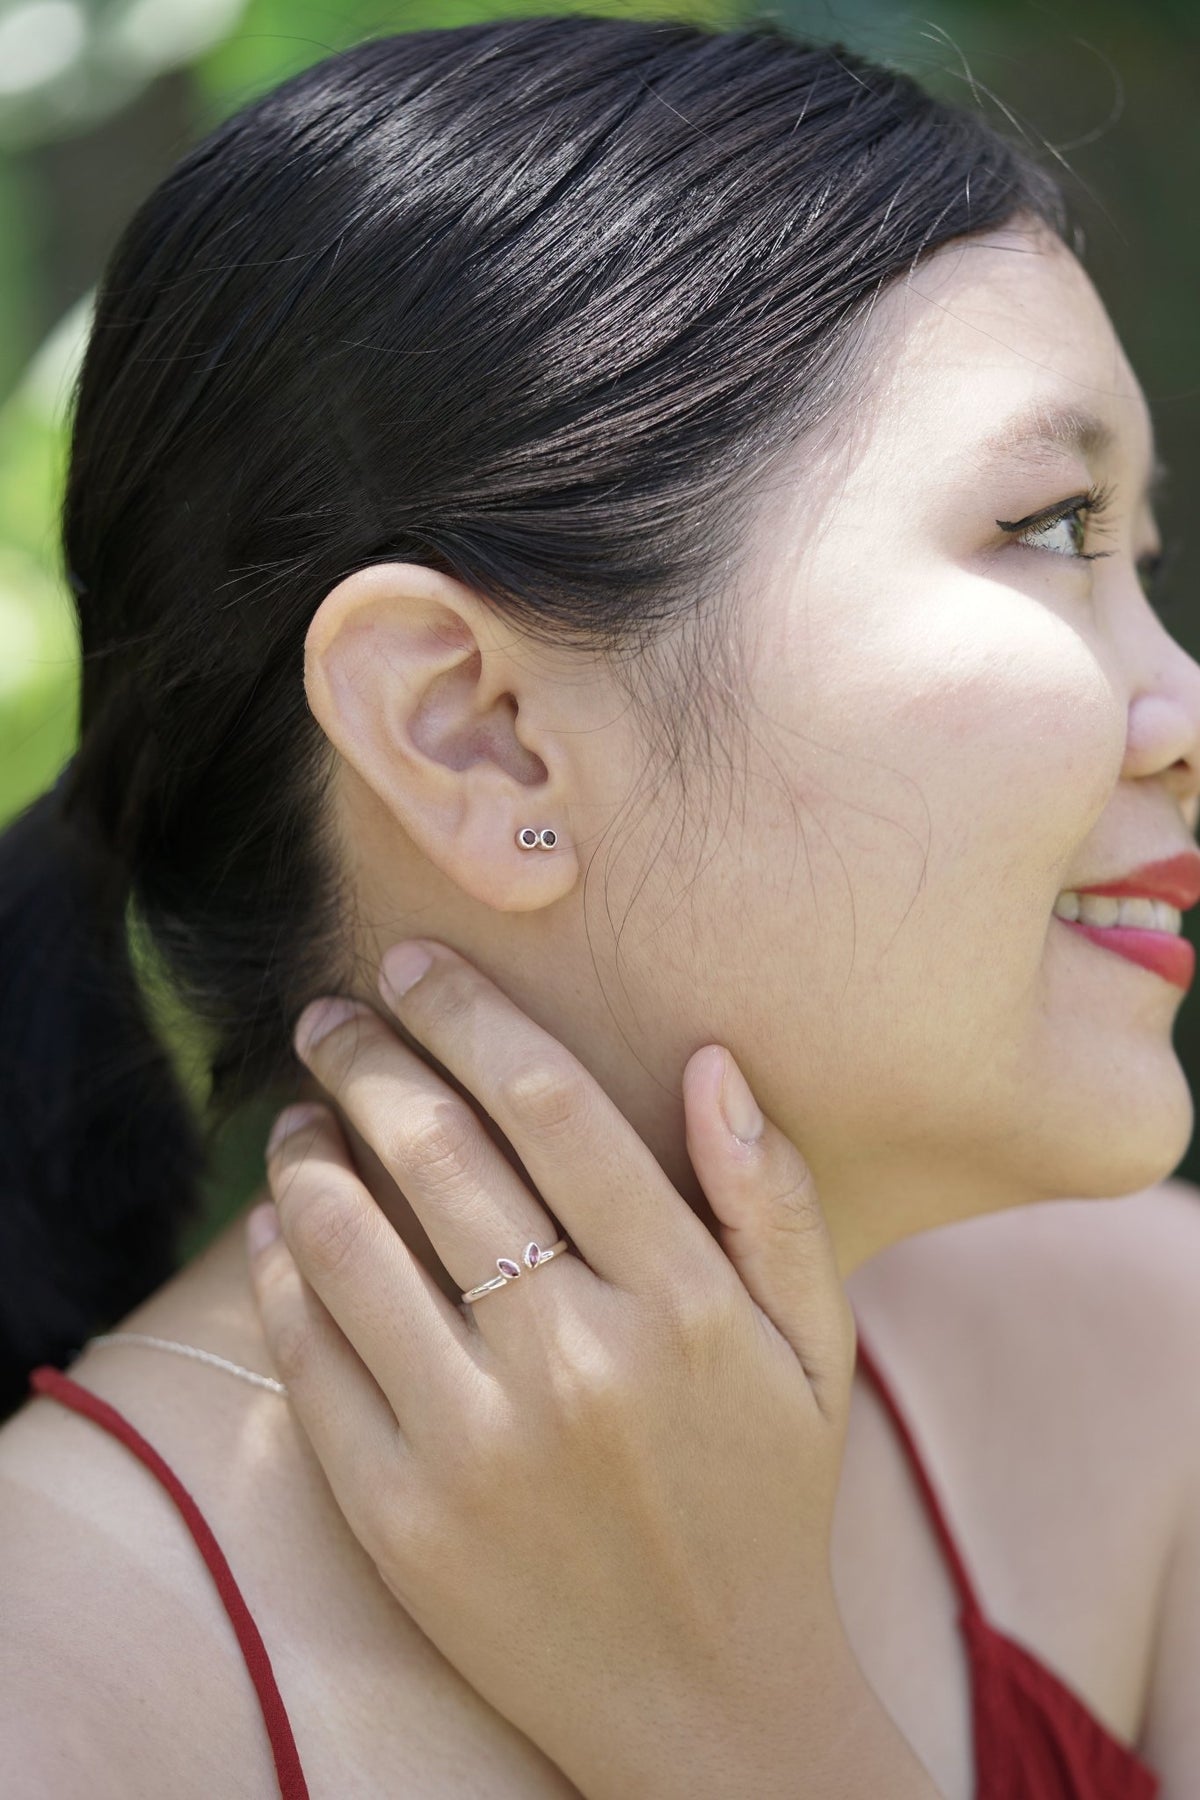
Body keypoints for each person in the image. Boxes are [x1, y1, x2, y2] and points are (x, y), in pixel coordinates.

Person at [0, 14, 1196, 1796]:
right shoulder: (60, 1703)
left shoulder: (1147, 1367)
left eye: (1136, 555)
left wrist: (752, 1722)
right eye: (1049, 528)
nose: (1180, 715)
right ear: (474, 732)